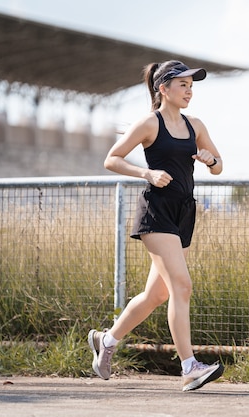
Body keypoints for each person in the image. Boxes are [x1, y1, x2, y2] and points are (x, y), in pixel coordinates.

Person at [88, 60, 224, 392]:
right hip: (156, 211)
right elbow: (112, 158)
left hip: (184, 212)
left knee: (156, 294)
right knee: (182, 286)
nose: (190, 91)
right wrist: (146, 173)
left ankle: (107, 340)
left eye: (192, 86)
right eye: (183, 85)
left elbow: (219, 165)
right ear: (163, 88)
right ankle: (190, 367)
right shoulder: (149, 123)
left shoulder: (196, 125)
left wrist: (210, 160)